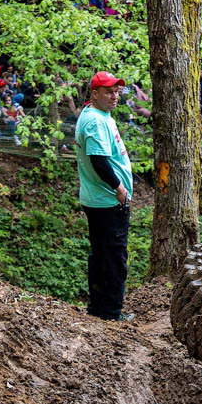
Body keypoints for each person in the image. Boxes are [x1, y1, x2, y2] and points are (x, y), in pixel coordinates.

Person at [76, 72, 135, 321]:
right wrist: (119, 187)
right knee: (113, 258)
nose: (115, 96)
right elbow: (98, 161)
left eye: (117, 91)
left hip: (99, 199)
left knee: (101, 255)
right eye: (108, 92)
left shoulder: (97, 114)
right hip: (107, 201)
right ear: (95, 93)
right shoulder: (95, 121)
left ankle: (98, 308)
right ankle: (110, 313)